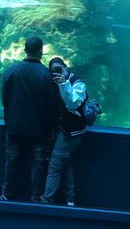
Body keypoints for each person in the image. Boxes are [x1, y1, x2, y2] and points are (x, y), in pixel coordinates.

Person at [0, 37, 57, 203]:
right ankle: (35, 198)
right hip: (39, 130)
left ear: (25, 50)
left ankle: (5, 195)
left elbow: (4, 99)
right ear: (41, 51)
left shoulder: (10, 71)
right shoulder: (46, 75)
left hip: (15, 127)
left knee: (11, 161)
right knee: (38, 164)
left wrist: (10, 119)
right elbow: (52, 105)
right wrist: (52, 129)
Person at [40, 57, 87, 206]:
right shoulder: (55, 84)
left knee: (55, 166)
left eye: (60, 69)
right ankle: (70, 201)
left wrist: (64, 83)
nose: (58, 73)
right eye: (54, 71)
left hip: (73, 133)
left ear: (65, 67)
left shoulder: (78, 83)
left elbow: (72, 103)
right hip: (63, 132)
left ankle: (46, 201)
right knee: (65, 165)